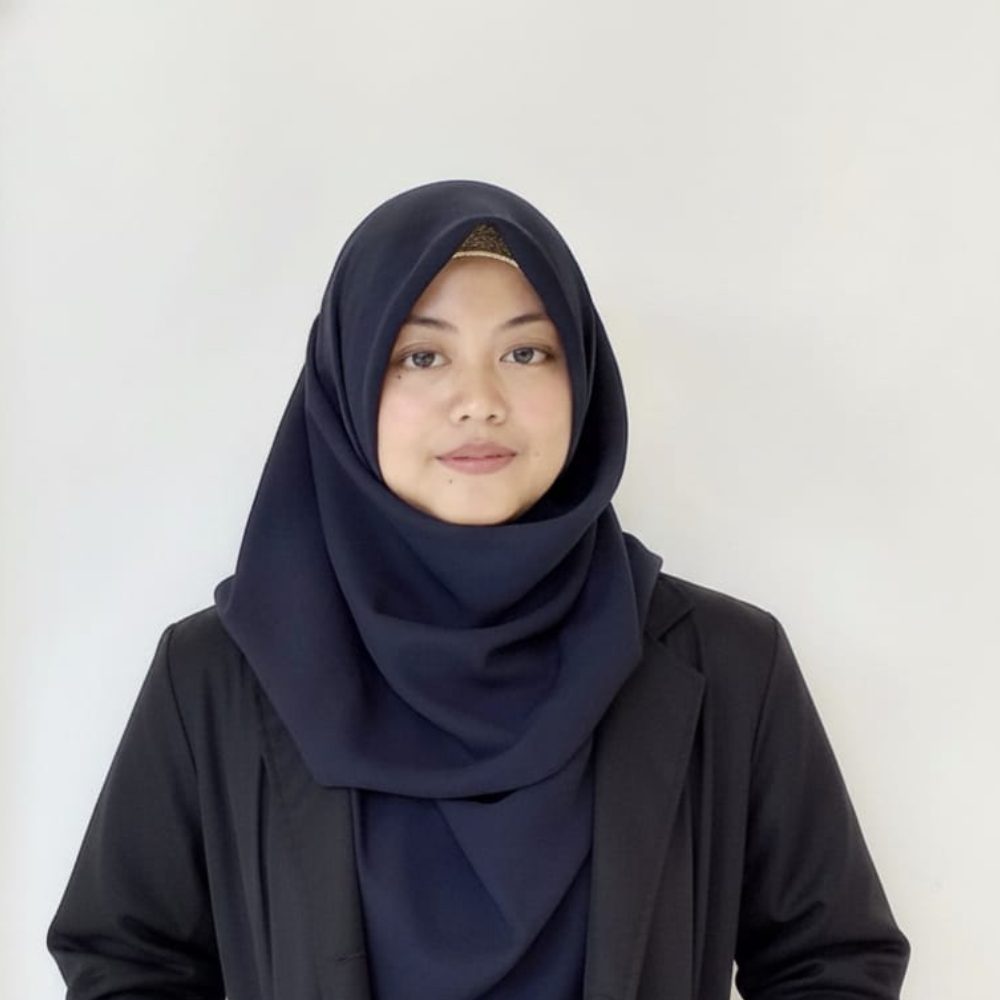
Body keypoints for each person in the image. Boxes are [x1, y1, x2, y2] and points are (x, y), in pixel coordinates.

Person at [47, 180, 910, 1000]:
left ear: (583, 379)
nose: (479, 401)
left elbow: (829, 959)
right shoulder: (216, 673)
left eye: (526, 352)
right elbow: (127, 956)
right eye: (422, 355)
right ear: (348, 384)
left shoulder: (730, 665)